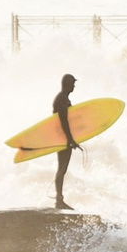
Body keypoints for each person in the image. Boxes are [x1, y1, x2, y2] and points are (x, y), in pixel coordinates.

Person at [51, 73, 81, 210]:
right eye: (73, 83)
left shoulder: (64, 98)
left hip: (63, 137)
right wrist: (70, 140)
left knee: (62, 169)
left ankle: (59, 199)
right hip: (62, 138)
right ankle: (59, 200)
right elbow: (63, 121)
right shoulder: (61, 99)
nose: (74, 86)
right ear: (67, 84)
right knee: (62, 168)